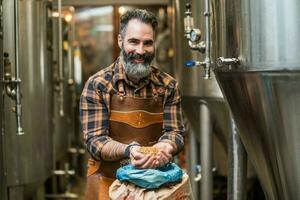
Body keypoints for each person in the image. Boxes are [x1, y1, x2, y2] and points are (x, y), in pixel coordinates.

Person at [80, 9, 185, 200]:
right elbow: (95, 142)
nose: (140, 51)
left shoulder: (168, 86)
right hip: (108, 183)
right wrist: (130, 150)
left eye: (148, 43)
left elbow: (175, 132)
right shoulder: (98, 85)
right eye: (134, 41)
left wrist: (166, 146)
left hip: (156, 186)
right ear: (120, 41)